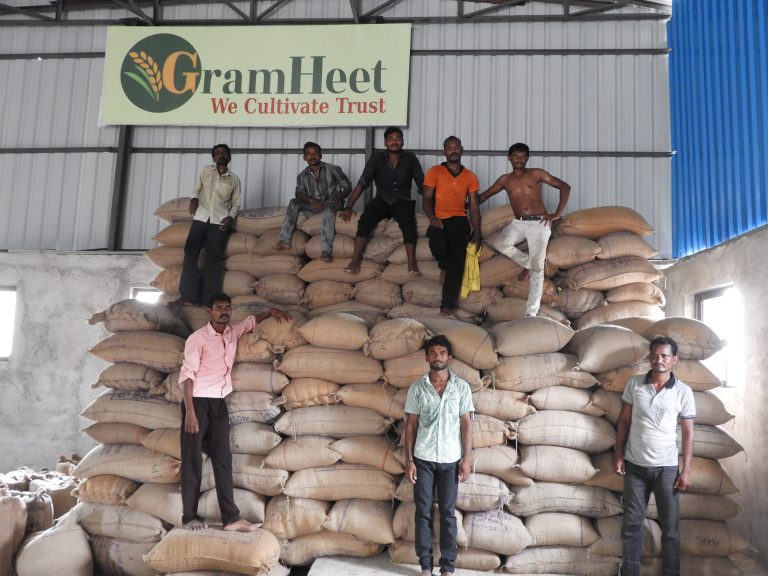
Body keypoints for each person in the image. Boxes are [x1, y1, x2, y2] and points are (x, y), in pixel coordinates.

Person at [179, 292, 291, 531]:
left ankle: (231, 518)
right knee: (192, 461)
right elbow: (187, 378)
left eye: (227, 307)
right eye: (218, 307)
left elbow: (250, 322)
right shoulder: (197, 339)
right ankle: (189, 517)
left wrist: (271, 312)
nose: (224, 311)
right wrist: (190, 413)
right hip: (196, 402)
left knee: (223, 459)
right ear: (209, 312)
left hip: (219, 403)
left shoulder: (231, 333)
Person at [613, 337, 696, 576]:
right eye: (655, 355)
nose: (659, 360)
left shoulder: (683, 392)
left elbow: (689, 433)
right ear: (649, 357)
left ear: (674, 360)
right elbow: (625, 421)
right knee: (632, 525)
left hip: (666, 470)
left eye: (665, 356)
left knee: (670, 529)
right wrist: (619, 453)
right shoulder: (635, 384)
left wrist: (686, 469)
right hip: (635, 466)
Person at [404, 335, 474, 576]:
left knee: (447, 513)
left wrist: (467, 458)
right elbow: (411, 426)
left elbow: (466, 424)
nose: (437, 357)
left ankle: (447, 567)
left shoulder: (461, 387)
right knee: (422, 511)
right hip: (422, 458)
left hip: (450, 460)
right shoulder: (417, 388)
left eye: (442, 353)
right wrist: (409, 461)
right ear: (426, 357)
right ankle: (425, 565)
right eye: (433, 353)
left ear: (449, 358)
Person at [477, 142, 571, 317]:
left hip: (539, 224)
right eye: (515, 156)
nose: (518, 159)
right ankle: (530, 264)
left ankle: (531, 312)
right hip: (518, 223)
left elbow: (565, 187)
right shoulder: (505, 180)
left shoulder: (537, 174)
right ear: (509, 158)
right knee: (500, 243)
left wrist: (557, 214)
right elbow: (483, 196)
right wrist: (466, 203)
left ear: (527, 158)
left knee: (537, 272)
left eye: (522, 156)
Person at [340, 126, 424, 275]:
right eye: (390, 139)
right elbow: (363, 182)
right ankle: (354, 262)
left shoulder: (410, 158)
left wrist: (436, 208)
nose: (394, 141)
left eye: (398, 138)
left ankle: (412, 264)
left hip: (403, 199)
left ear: (403, 142)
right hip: (382, 199)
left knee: (408, 223)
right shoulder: (377, 157)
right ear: (385, 143)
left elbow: (422, 185)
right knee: (365, 219)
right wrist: (349, 206)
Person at [422, 136, 482, 319]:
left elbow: (473, 206)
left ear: (462, 150)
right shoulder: (435, 171)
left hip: (459, 221)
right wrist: (431, 218)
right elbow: (425, 199)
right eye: (449, 147)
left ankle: (446, 307)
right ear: (444, 151)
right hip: (439, 219)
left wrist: (477, 233)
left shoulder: (470, 176)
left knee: (457, 262)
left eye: (456, 147)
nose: (453, 150)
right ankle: (445, 263)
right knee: (439, 247)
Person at [177, 144, 241, 306]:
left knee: (213, 260)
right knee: (190, 253)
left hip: (219, 222)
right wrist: (193, 199)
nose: (221, 155)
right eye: (218, 153)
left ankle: (208, 300)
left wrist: (231, 218)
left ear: (229, 157)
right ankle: (188, 297)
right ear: (213, 157)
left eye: (224, 153)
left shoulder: (234, 180)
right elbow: (196, 189)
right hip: (201, 218)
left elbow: (236, 204)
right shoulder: (205, 171)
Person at [274, 141, 352, 262]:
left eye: (315, 153)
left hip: (332, 204)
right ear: (305, 157)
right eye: (309, 154)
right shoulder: (302, 175)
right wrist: (311, 200)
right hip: (314, 205)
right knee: (294, 202)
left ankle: (326, 250)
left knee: (328, 211)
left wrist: (340, 196)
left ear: (321, 155)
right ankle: (284, 240)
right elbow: (298, 192)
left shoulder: (333, 169)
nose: (312, 156)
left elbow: (347, 186)